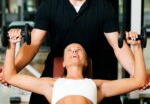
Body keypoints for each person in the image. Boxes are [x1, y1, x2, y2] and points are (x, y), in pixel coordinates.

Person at [0, 0, 149, 104]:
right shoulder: (50, 5)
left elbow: (118, 46)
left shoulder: (103, 7)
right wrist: (13, 69)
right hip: (59, 68)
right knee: (38, 100)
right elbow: (33, 44)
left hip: (96, 70)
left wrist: (137, 73)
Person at [3, 30, 147, 104]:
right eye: (69, 50)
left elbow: (139, 81)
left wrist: (137, 46)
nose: (74, 51)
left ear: (86, 62)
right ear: (63, 63)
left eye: (78, 50)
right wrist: (11, 44)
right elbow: (9, 76)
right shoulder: (50, 85)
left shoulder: (98, 86)